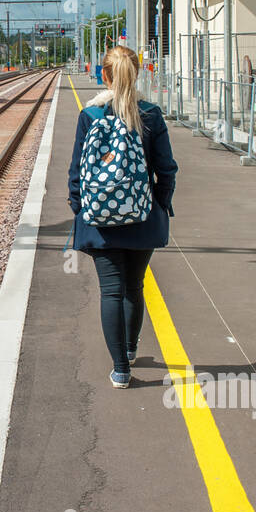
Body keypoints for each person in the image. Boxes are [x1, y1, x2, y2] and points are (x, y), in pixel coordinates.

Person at [67, 45, 178, 388]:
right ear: (138, 72)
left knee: (111, 291)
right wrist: (158, 205)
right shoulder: (151, 114)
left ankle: (121, 370)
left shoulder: (90, 116)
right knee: (134, 286)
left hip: (101, 220)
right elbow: (167, 170)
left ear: (105, 75)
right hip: (142, 218)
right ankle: (129, 349)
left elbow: (75, 173)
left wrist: (82, 209)